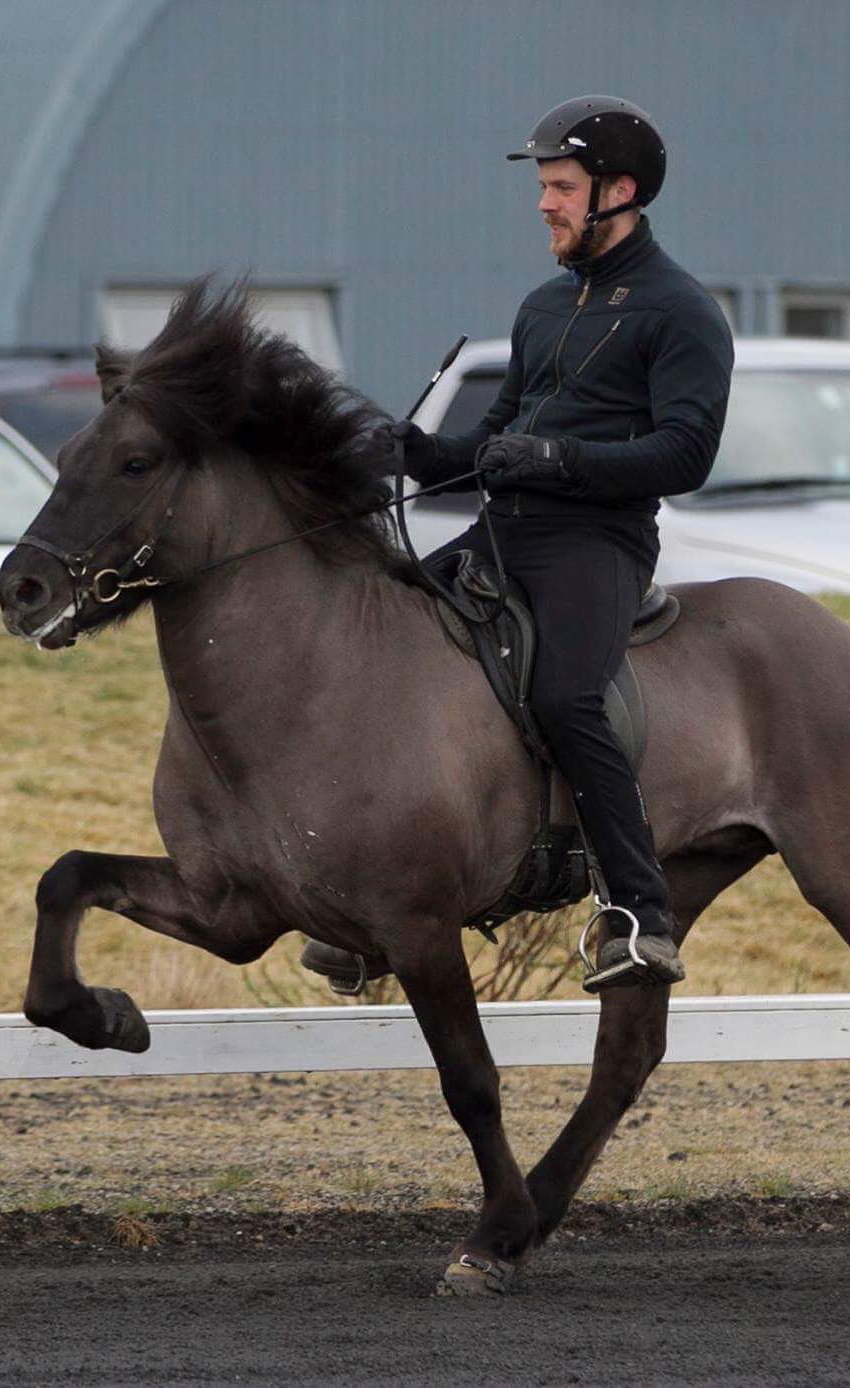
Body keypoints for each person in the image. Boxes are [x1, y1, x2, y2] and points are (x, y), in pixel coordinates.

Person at [313, 95, 734, 990]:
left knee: (568, 697)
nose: (544, 204)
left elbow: (686, 453)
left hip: (597, 543)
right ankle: (368, 907)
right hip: (501, 531)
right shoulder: (544, 305)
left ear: (619, 192)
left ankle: (638, 915)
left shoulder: (682, 312)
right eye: (543, 187)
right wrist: (420, 454)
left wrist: (558, 456)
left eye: (561, 187)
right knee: (377, 648)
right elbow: (493, 441)